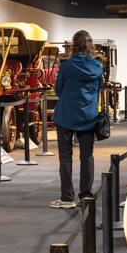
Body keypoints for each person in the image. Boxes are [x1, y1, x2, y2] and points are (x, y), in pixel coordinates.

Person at [50, 30, 103, 209]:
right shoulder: (97, 67)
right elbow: (98, 91)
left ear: (73, 46)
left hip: (66, 115)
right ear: (90, 46)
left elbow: (58, 91)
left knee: (65, 157)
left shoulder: (66, 66)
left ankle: (67, 198)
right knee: (87, 156)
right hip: (88, 116)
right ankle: (86, 196)